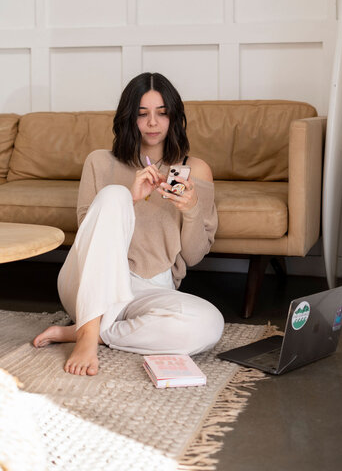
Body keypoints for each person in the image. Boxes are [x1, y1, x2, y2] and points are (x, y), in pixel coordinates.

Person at [33, 73, 224, 376]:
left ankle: (91, 331)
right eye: (142, 114)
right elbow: (89, 238)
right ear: (128, 118)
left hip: (149, 291)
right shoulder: (99, 161)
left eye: (162, 113)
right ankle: (87, 333)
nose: (152, 123)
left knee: (210, 323)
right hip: (88, 281)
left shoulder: (193, 169)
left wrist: (191, 209)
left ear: (174, 118)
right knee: (114, 194)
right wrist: (130, 200)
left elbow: (193, 256)